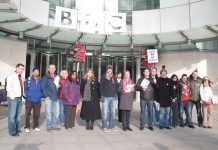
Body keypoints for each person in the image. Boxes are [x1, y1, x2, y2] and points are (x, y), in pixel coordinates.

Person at [6, 63, 25, 136]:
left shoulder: (21, 77)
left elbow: (21, 88)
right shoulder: (11, 76)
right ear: (16, 68)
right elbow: (8, 88)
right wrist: (13, 96)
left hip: (19, 98)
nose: (22, 70)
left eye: (23, 69)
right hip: (13, 99)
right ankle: (12, 131)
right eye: (20, 68)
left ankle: (16, 128)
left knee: (18, 115)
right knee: (12, 115)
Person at [41, 64, 60, 131]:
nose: (52, 69)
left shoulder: (57, 77)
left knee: (56, 112)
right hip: (49, 97)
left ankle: (54, 125)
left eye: (53, 68)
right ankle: (49, 125)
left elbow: (58, 86)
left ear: (55, 69)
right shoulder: (45, 77)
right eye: (51, 68)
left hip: (56, 97)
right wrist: (46, 96)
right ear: (48, 69)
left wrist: (59, 86)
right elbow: (43, 87)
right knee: (48, 112)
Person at [100, 65, 118, 133]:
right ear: (106, 70)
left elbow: (116, 86)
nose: (109, 70)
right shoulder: (104, 77)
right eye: (108, 69)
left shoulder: (114, 77)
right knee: (104, 113)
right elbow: (101, 87)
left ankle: (111, 126)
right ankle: (104, 127)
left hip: (113, 97)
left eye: (110, 69)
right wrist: (102, 95)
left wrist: (115, 93)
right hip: (105, 97)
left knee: (113, 113)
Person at [24, 68, 43, 133]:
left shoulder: (41, 80)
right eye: (35, 71)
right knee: (27, 114)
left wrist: (40, 95)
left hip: (38, 100)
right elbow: (25, 89)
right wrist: (28, 95)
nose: (36, 72)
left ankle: (35, 126)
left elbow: (42, 89)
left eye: (37, 71)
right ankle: (27, 127)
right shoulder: (28, 80)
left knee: (37, 114)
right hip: (29, 100)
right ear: (32, 72)